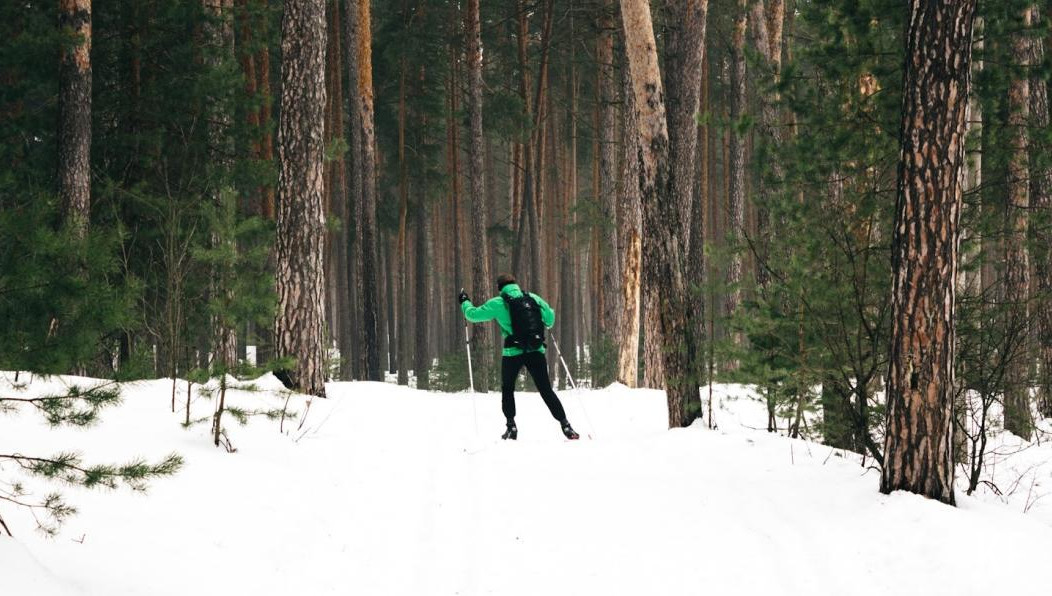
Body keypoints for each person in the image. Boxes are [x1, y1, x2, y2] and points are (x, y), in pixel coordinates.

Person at [458, 273, 579, 441]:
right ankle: (566, 425)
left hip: (512, 352)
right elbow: (550, 318)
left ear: (499, 288)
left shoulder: (499, 302)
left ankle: (511, 426)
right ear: (515, 283)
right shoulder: (532, 298)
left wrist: (465, 302)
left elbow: (473, 315)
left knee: (508, 389)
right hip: (536, 350)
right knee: (545, 389)